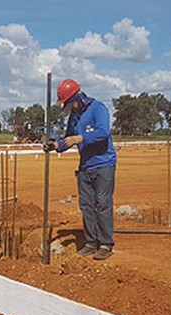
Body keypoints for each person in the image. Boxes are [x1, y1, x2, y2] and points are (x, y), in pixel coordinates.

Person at [52, 78, 117, 261]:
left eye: (68, 103)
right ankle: (91, 242)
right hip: (85, 166)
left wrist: (80, 138)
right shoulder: (74, 117)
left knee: (102, 204)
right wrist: (55, 145)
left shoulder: (98, 108)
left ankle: (105, 244)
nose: (67, 108)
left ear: (77, 98)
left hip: (103, 164)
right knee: (86, 205)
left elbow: (103, 132)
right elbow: (67, 139)